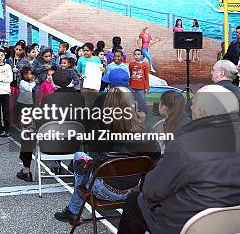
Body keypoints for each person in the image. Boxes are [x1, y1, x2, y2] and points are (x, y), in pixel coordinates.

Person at [106, 85, 240, 234]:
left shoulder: (186, 145)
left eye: (193, 104)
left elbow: (151, 190)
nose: (190, 108)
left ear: (202, 111)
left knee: (135, 201)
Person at [54, 86, 160, 224]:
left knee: (80, 157)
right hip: (133, 190)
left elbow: (93, 161)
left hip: (104, 189)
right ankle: (72, 210)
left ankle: (73, 210)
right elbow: (155, 160)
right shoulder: (146, 131)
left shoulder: (98, 129)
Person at [128, 49, 150, 114]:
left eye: (138, 54)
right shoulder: (131, 64)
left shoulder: (145, 64)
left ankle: (143, 113)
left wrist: (147, 87)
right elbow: (130, 74)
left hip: (141, 87)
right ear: (133, 55)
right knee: (132, 101)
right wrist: (129, 85)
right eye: (135, 54)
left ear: (141, 56)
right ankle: (133, 114)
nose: (137, 56)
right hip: (132, 86)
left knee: (141, 101)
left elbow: (146, 76)